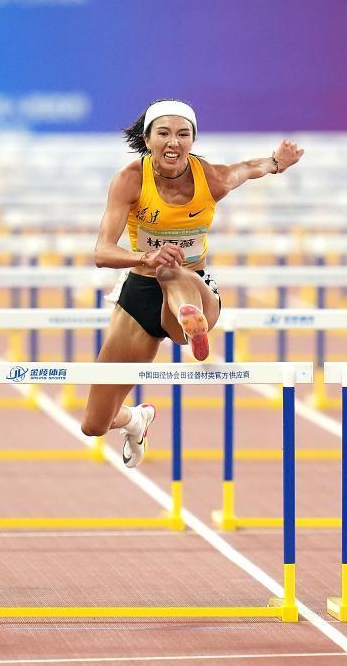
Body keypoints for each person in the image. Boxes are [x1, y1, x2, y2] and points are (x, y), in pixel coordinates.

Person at [81, 98, 303, 466]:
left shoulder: (210, 178)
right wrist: (145, 257)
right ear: (148, 139)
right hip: (139, 295)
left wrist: (277, 162)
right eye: (164, 134)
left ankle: (187, 317)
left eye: (183, 134)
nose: (174, 142)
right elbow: (102, 252)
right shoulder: (129, 180)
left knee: (172, 271)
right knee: (94, 424)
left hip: (194, 286)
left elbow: (248, 168)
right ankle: (136, 419)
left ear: (193, 139)